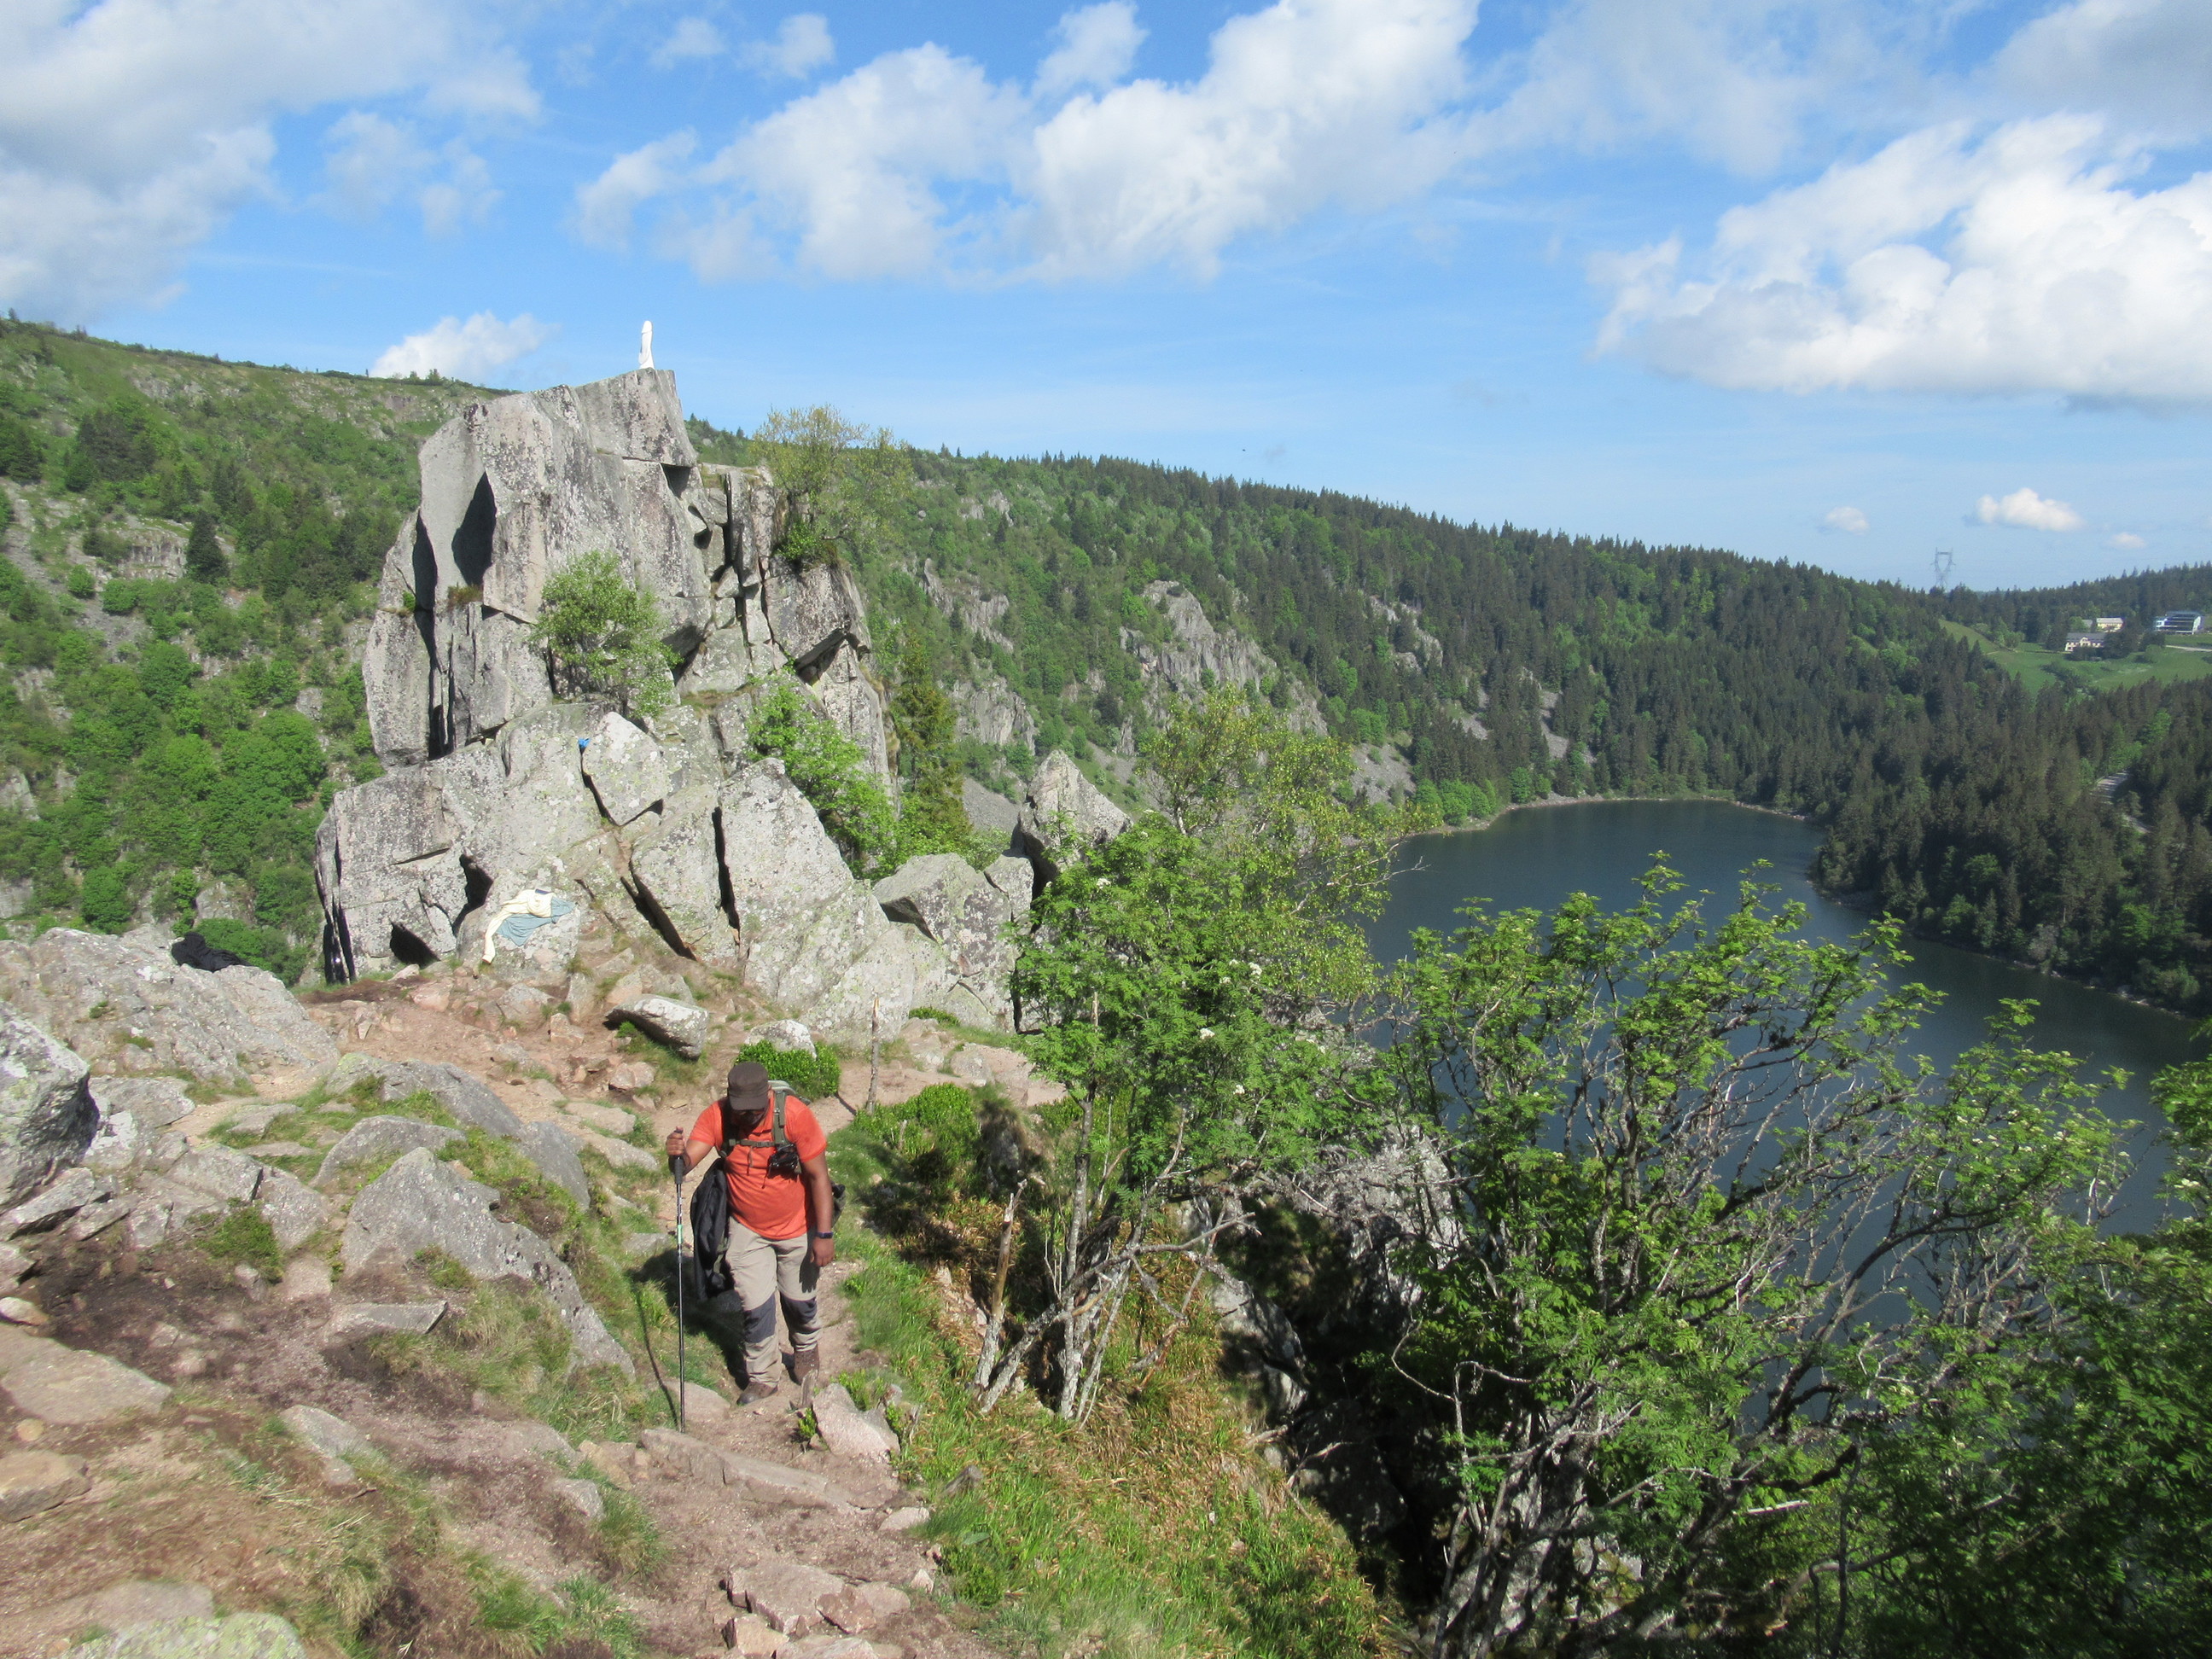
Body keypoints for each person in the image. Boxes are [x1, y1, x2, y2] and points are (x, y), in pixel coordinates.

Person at [666, 1060, 836, 1404]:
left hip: (798, 1226)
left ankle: (805, 1347)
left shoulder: (795, 1116)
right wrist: (676, 1156)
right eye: (741, 1110)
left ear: (768, 1096)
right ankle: (762, 1377)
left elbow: (819, 1177)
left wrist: (823, 1235)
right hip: (747, 1230)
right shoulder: (718, 1116)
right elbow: (685, 1165)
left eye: (755, 1111)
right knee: (756, 1307)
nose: (748, 1118)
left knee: (798, 1301)